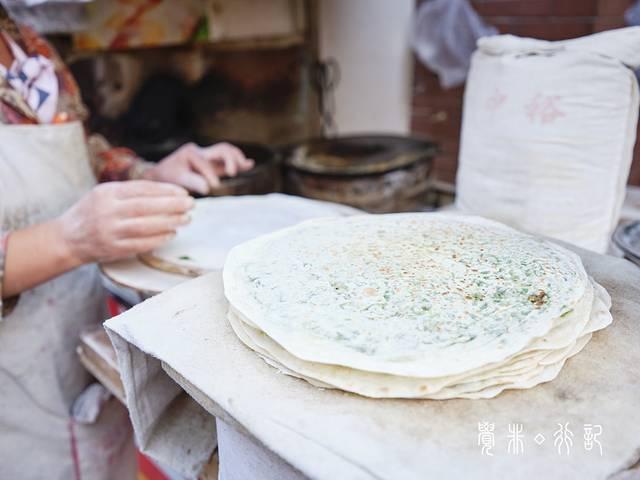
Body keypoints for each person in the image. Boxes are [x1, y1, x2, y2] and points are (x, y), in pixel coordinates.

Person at [0, 6, 253, 479]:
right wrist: (68, 239)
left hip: (79, 332)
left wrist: (150, 174)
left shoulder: (28, 44)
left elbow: (81, 149)